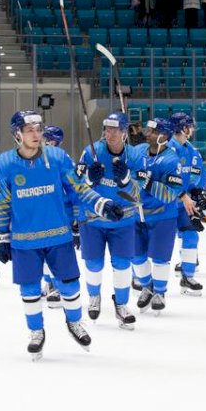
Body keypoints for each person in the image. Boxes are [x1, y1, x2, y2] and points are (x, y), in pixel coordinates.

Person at [0, 111, 124, 359]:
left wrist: (102, 204)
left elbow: (79, 189)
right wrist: (1, 234)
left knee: (70, 284)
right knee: (30, 289)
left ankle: (74, 322)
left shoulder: (57, 157)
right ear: (17, 134)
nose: (36, 134)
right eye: (29, 130)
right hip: (24, 241)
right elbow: (2, 203)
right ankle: (36, 332)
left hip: (58, 236)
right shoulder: (5, 164)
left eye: (38, 129)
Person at [77, 113, 144, 329]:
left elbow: (139, 190)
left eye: (116, 129)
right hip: (94, 220)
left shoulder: (134, 155)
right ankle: (94, 297)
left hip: (123, 219)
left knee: (122, 264)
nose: (110, 133)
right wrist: (88, 178)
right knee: (94, 263)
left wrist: (125, 180)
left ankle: (122, 305)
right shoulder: (91, 152)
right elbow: (77, 185)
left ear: (125, 133)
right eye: (107, 128)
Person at [131, 118, 183, 314]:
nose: (148, 133)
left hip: (162, 216)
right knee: (136, 256)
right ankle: (147, 286)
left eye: (153, 131)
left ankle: (160, 292)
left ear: (165, 136)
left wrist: (148, 183)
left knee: (160, 259)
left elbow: (171, 194)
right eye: (148, 130)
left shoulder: (171, 160)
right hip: (137, 213)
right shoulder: (139, 151)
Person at [167, 113, 206, 295]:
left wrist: (198, 192)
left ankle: (187, 277)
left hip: (184, 204)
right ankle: (141, 279)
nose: (192, 129)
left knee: (191, 235)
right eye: (190, 125)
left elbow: (195, 175)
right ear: (183, 128)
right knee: (156, 243)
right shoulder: (166, 149)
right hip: (164, 204)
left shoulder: (192, 150)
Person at [41, 125, 67, 308]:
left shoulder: (60, 159)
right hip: (41, 211)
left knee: (56, 251)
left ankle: (60, 286)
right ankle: (49, 282)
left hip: (58, 212)